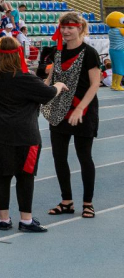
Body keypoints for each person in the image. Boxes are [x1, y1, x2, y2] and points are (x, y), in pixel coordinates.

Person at [0, 35, 65, 232]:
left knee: (1, 175)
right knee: (25, 175)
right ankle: (26, 220)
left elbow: (32, 89)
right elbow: (47, 94)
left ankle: (4, 219)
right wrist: (59, 85)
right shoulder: (24, 77)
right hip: (23, 133)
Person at [39, 12, 101, 220]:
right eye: (63, 27)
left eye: (70, 28)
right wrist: (37, 94)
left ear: (79, 28)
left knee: (84, 157)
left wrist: (80, 109)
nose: (65, 31)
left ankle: (88, 203)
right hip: (59, 110)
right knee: (59, 157)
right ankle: (66, 201)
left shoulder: (89, 53)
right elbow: (50, 79)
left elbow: (95, 84)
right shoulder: (57, 52)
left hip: (83, 111)